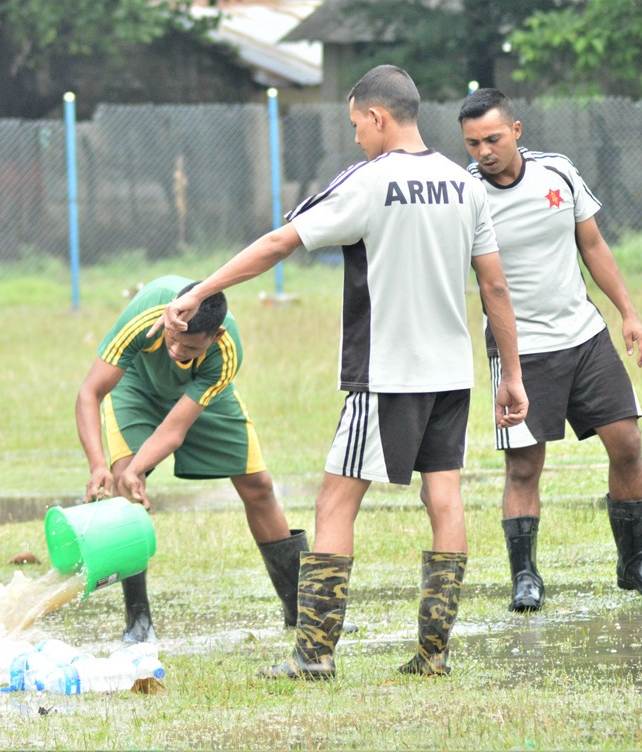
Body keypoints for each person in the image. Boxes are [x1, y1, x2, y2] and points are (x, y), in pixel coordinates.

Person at [146, 65, 528, 679]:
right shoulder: (466, 184)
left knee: (334, 503)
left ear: (378, 117)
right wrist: (511, 374)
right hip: (452, 373)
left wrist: (203, 289)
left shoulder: (369, 182)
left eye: (356, 125)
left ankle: (314, 654)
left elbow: (280, 244)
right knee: (445, 497)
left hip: (386, 375)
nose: (356, 138)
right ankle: (434, 655)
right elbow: (496, 286)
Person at [457, 88, 642, 612]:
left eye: (492, 138)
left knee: (626, 442)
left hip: (584, 336)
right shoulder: (463, 193)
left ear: (516, 131)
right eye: (471, 143)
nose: (483, 151)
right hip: (520, 352)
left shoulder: (557, 171)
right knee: (524, 467)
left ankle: (635, 561)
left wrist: (629, 311)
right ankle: (526, 577)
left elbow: (593, 244)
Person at [76, 274, 308, 644]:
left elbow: (174, 430)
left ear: (214, 337)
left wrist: (140, 467)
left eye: (189, 348)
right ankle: (138, 622)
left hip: (200, 394)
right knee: (127, 490)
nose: (176, 351)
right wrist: (99, 465)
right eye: (173, 339)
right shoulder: (146, 315)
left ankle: (305, 612)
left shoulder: (227, 349)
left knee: (259, 486)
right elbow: (90, 391)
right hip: (136, 385)